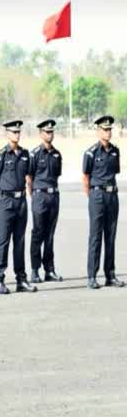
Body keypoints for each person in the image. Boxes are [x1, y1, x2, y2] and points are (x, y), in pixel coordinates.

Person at [0, 120, 37, 295]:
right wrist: (1, 198)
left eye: (18, 132)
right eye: (13, 132)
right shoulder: (0, 155)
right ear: (7, 134)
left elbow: (28, 176)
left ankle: (21, 279)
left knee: (19, 241)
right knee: (3, 241)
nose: (16, 135)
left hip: (21, 202)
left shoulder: (25, 154)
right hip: (6, 201)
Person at [83, 115, 124, 289]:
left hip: (112, 195)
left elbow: (115, 172)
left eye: (109, 129)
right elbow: (86, 178)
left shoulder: (115, 151)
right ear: (98, 131)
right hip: (97, 195)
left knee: (111, 236)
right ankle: (92, 275)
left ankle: (110, 274)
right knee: (95, 236)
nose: (108, 132)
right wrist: (92, 196)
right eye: (105, 129)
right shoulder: (91, 152)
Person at [28, 119, 64, 284]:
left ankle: (49, 269)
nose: (49, 134)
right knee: (38, 233)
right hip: (39, 196)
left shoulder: (57, 154)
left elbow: (56, 176)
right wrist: (34, 196)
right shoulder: (34, 154)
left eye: (51, 132)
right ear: (41, 134)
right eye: (46, 132)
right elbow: (29, 177)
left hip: (53, 196)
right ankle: (35, 270)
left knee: (50, 235)